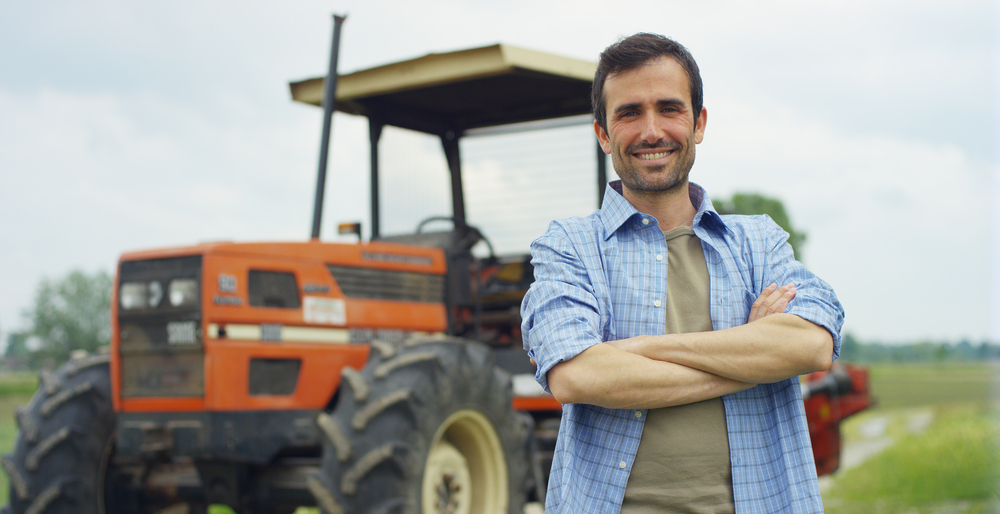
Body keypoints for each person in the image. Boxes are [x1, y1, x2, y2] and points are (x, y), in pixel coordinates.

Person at [520, 33, 844, 514]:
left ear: (698, 123)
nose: (652, 131)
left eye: (669, 108)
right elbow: (576, 374)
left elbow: (813, 344)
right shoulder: (570, 246)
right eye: (629, 113)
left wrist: (634, 353)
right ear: (603, 133)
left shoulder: (758, 241)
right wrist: (750, 355)